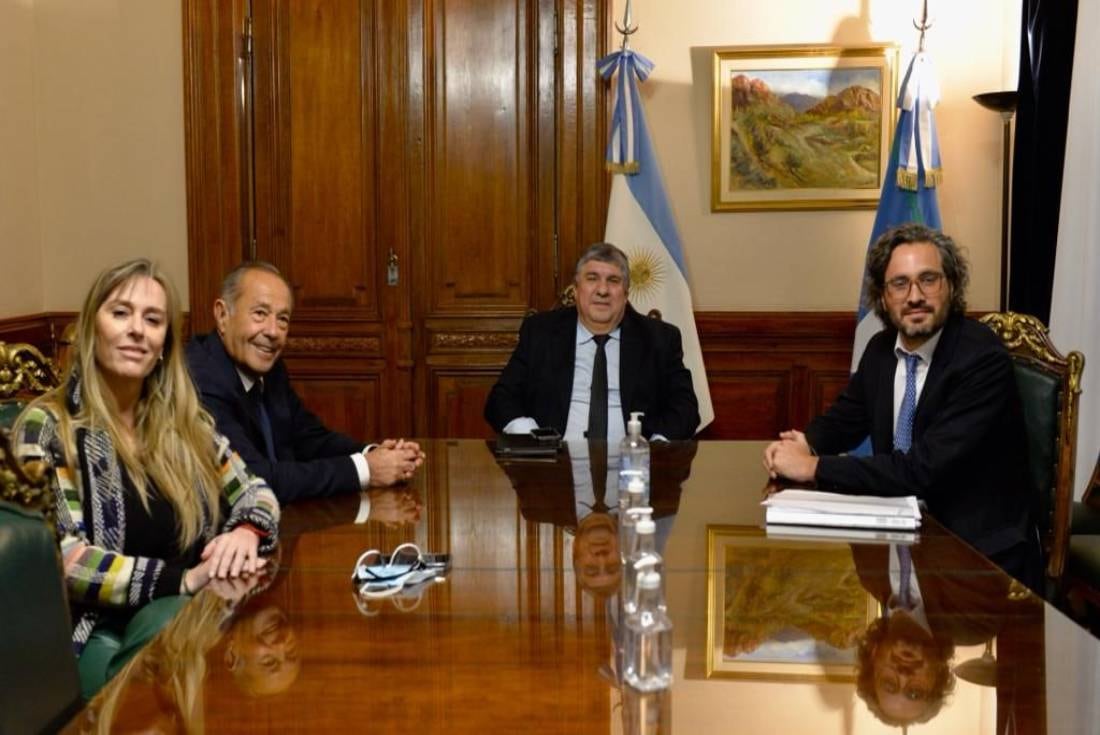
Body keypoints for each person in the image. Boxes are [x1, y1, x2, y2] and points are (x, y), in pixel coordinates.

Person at [13, 259, 280, 699]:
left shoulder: (186, 422)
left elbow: (256, 491)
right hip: (101, 639)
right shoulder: (47, 427)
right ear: (90, 330)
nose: (137, 330)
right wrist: (185, 581)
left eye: (153, 320)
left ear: (163, 345)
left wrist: (246, 533)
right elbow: (64, 561)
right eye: (120, 313)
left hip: (201, 626)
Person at [762, 223, 1038, 584]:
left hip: (975, 558)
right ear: (883, 295)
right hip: (900, 536)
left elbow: (921, 470)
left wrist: (813, 467)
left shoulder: (980, 358)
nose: (914, 296)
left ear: (951, 286)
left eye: (928, 279)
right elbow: (846, 418)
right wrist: (804, 441)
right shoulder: (881, 349)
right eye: (900, 283)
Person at [186, 261, 424, 504]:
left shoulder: (270, 368)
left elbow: (308, 437)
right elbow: (253, 479)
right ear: (222, 315)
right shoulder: (200, 378)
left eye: (283, 319)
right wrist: (366, 470)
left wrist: (374, 454)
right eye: (260, 313)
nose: (273, 331)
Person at [484, 242, 700, 442]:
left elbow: (686, 409)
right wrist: (532, 437)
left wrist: (652, 448)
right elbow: (501, 399)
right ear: (576, 290)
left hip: (633, 466)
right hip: (553, 465)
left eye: (613, 281)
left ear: (625, 294)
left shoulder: (659, 339)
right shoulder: (541, 332)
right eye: (592, 278)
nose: (602, 290)